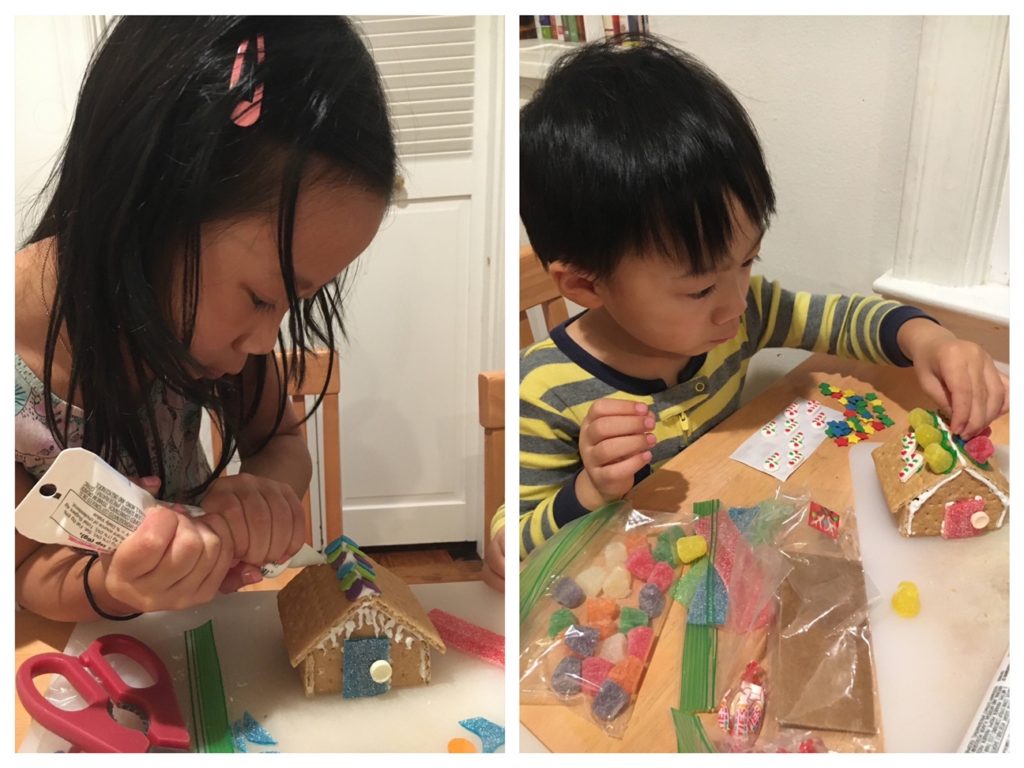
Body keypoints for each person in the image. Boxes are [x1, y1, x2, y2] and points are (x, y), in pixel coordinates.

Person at [511, 35, 1009, 560]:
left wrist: (928, 339)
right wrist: (587, 490)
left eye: (748, 260)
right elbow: (511, 548)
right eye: (700, 288)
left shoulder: (747, 313)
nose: (735, 304)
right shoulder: (545, 394)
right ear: (587, 286)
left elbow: (840, 320)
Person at [15, 17, 396, 621]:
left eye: (291, 305)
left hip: (191, 637)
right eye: (260, 297)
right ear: (148, 201)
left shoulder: (208, 332)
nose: (264, 341)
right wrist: (117, 584)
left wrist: (261, 493)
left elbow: (283, 440)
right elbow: (26, 570)